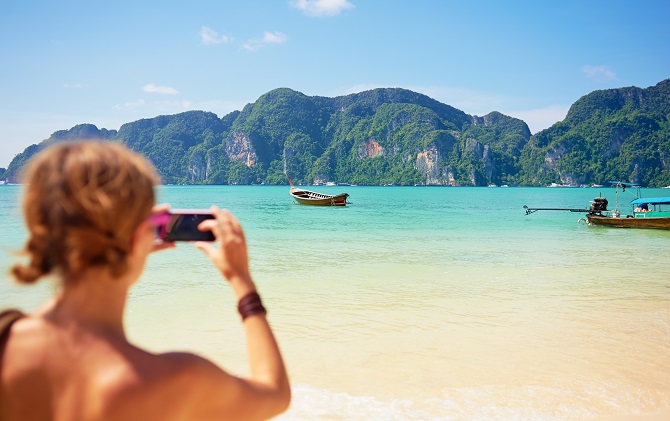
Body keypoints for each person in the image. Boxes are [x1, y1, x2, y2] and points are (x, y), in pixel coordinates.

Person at [0, 141, 290, 420]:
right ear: (140, 236)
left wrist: (128, 242)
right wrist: (241, 280)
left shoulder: (6, 342)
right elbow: (274, 394)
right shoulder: (174, 380)